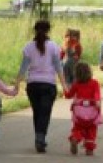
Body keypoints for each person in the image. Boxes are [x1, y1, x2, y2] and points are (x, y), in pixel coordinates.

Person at [15, 20, 67, 153]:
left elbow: (23, 68)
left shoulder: (28, 47)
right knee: (45, 113)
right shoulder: (54, 46)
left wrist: (17, 85)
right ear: (48, 30)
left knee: (37, 112)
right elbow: (58, 67)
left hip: (33, 84)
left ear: (35, 30)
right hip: (48, 84)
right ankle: (40, 138)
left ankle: (39, 137)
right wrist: (64, 86)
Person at [63, 62, 103, 156]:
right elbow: (96, 94)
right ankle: (89, 148)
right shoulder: (95, 83)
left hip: (79, 110)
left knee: (78, 127)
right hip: (92, 110)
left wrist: (65, 88)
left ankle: (75, 138)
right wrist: (97, 102)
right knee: (92, 129)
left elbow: (68, 95)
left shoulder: (76, 84)